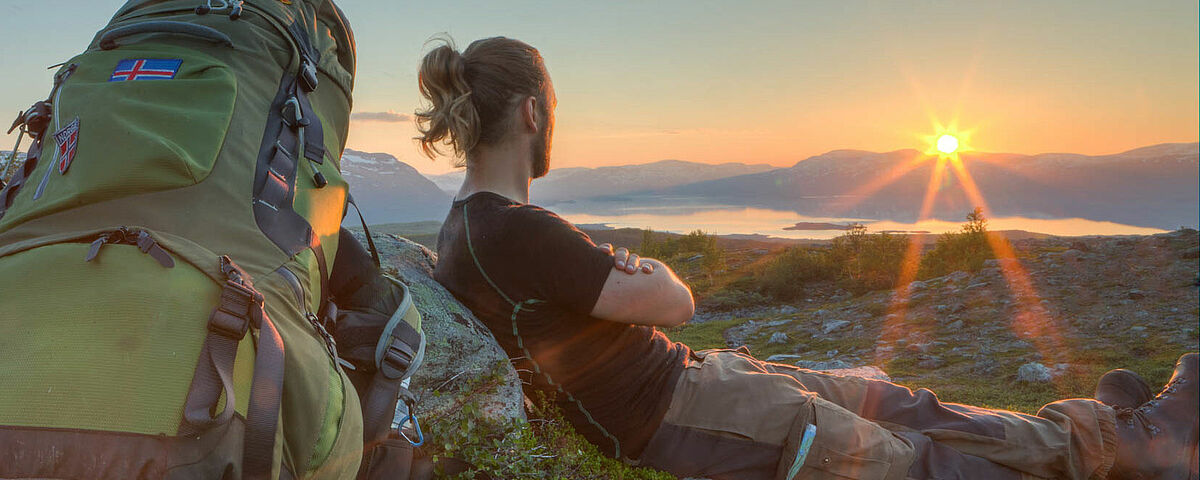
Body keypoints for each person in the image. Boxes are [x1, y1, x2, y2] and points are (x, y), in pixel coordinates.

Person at [416, 36, 1199, 480]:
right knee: (908, 460)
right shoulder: (515, 228)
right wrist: (647, 270)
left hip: (697, 380)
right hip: (681, 413)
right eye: (551, 109)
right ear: (530, 111)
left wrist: (626, 277)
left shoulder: (471, 226)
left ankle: (1118, 432)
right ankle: (1141, 444)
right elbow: (673, 299)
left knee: (888, 396)